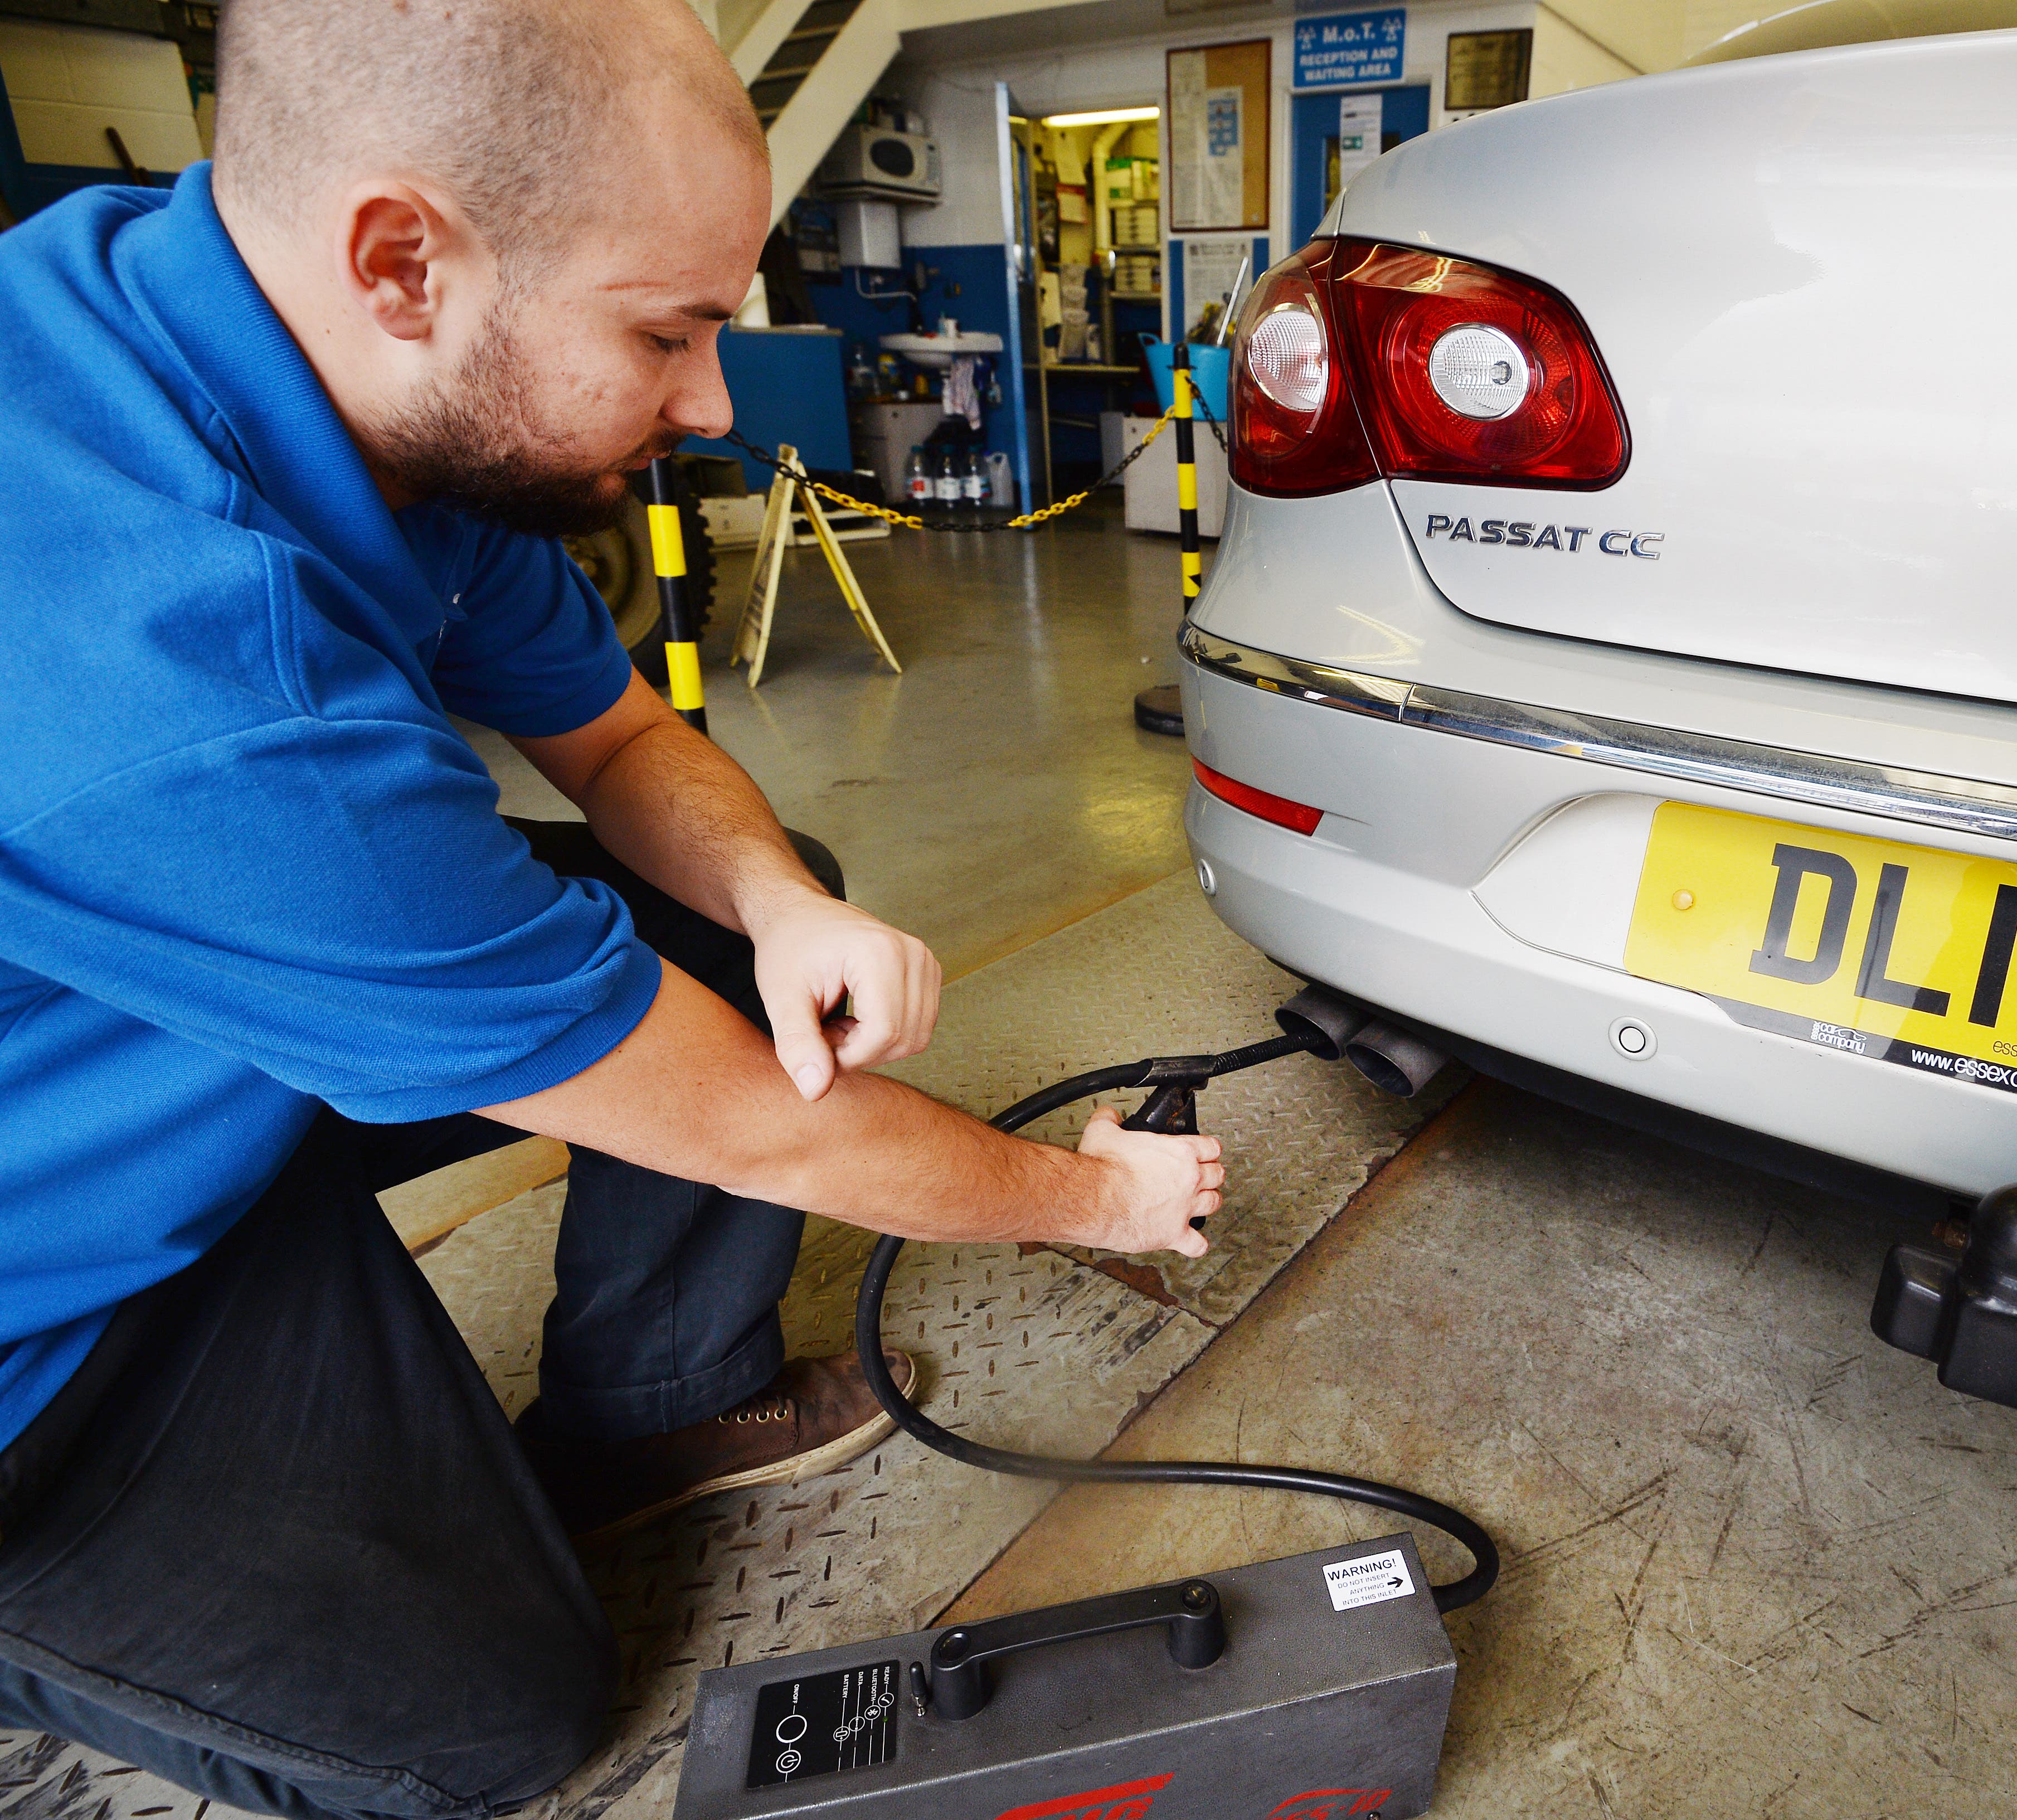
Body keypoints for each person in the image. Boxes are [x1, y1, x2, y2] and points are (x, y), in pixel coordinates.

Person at [0, 1, 1225, 1814]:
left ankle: (649, 1404)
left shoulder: (291, 362)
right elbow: (751, 1125)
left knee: (750, 903)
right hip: (48, 1315)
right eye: (667, 331)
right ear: (401, 257)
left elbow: (626, 733)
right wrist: (1086, 1195)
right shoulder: (192, 665)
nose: (715, 403)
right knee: (484, 1722)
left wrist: (775, 901)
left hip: (160, 1046)